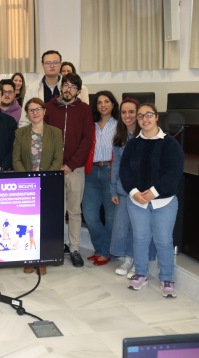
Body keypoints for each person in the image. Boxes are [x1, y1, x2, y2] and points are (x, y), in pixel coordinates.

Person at [120, 103, 184, 297]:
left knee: (163, 241)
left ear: (156, 117)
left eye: (149, 115)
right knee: (140, 239)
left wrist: (155, 191)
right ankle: (140, 274)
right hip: (137, 200)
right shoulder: (132, 143)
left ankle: (166, 277)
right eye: (140, 116)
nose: (145, 119)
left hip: (164, 201)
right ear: (137, 121)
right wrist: (133, 192)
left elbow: (174, 171)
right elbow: (125, 171)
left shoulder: (170, 143)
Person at [44, 73, 94, 268]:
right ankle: (57, 246)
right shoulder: (48, 108)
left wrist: (71, 164)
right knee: (56, 211)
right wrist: (55, 164)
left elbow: (87, 140)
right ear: (60, 87)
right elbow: (44, 137)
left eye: (73, 87)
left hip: (75, 169)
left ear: (79, 91)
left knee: (74, 211)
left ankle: (74, 248)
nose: (68, 89)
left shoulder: (84, 109)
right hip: (53, 169)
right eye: (65, 85)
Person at [13, 98, 63, 274]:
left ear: (44, 111)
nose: (35, 112)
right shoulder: (21, 133)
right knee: (27, 223)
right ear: (27, 113)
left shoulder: (55, 132)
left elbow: (58, 158)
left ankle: (42, 259)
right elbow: (16, 159)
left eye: (38, 109)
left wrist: (46, 178)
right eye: (31, 110)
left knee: (45, 223)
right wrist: (28, 179)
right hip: (27, 185)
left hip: (48, 184)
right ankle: (28, 257)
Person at [110, 97, 156, 278]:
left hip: (143, 192)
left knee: (141, 228)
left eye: (131, 112)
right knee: (123, 227)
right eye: (124, 112)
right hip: (123, 190)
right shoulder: (120, 136)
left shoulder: (146, 135)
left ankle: (140, 260)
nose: (127, 116)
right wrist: (113, 189)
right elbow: (116, 165)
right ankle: (128, 258)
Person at [83, 91, 119, 266]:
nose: (103, 105)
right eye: (99, 102)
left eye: (107, 101)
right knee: (89, 215)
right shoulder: (91, 125)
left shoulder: (120, 125)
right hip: (90, 173)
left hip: (110, 173)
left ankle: (106, 251)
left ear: (113, 104)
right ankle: (100, 248)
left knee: (111, 216)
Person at [20, 50, 62, 127]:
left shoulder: (69, 88)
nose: (52, 66)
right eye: (48, 63)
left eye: (55, 63)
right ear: (43, 65)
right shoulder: (32, 88)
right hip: (40, 134)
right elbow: (24, 119)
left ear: (60, 65)